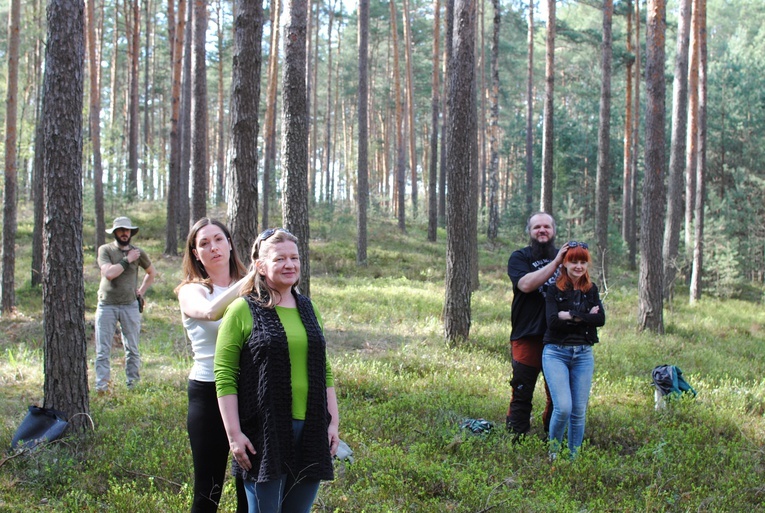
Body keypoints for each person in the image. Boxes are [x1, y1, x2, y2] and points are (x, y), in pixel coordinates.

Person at [215, 228, 339, 513]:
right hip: (263, 433)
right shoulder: (242, 309)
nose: (290, 265)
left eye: (294, 258)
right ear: (260, 265)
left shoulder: (309, 308)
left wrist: (332, 423)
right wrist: (234, 435)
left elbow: (325, 370)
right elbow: (224, 375)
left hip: (311, 429)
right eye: (280, 258)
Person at [176, 218, 254, 513]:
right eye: (204, 243)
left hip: (249, 391)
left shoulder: (253, 285)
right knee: (208, 492)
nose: (213, 247)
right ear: (196, 253)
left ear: (230, 243)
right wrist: (251, 280)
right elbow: (209, 312)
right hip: (208, 392)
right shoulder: (191, 291)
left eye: (218, 239)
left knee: (250, 487)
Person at [506, 212, 568, 437]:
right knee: (522, 389)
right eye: (537, 227)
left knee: (557, 395)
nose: (542, 231)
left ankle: (552, 438)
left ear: (553, 231)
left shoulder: (567, 258)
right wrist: (556, 263)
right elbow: (525, 284)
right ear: (530, 232)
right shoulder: (520, 257)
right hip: (527, 334)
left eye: (547, 227)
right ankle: (517, 438)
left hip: (559, 337)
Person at [542, 241, 605, 458]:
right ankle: (553, 453)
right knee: (564, 408)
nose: (578, 266)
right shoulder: (553, 289)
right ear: (565, 263)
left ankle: (574, 458)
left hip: (583, 355)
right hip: (556, 353)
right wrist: (586, 315)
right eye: (573, 261)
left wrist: (569, 315)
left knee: (579, 411)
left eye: (582, 262)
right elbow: (552, 322)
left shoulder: (591, 289)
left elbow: (600, 319)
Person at [95, 216, 157, 393]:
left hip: (130, 305)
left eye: (127, 230)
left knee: (132, 348)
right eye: (121, 230)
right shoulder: (105, 250)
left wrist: (141, 291)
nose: (124, 233)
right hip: (106, 305)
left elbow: (151, 273)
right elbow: (109, 274)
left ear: (131, 233)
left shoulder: (138, 252)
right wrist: (127, 260)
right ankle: (102, 387)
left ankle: (133, 385)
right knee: (103, 349)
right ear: (115, 232)